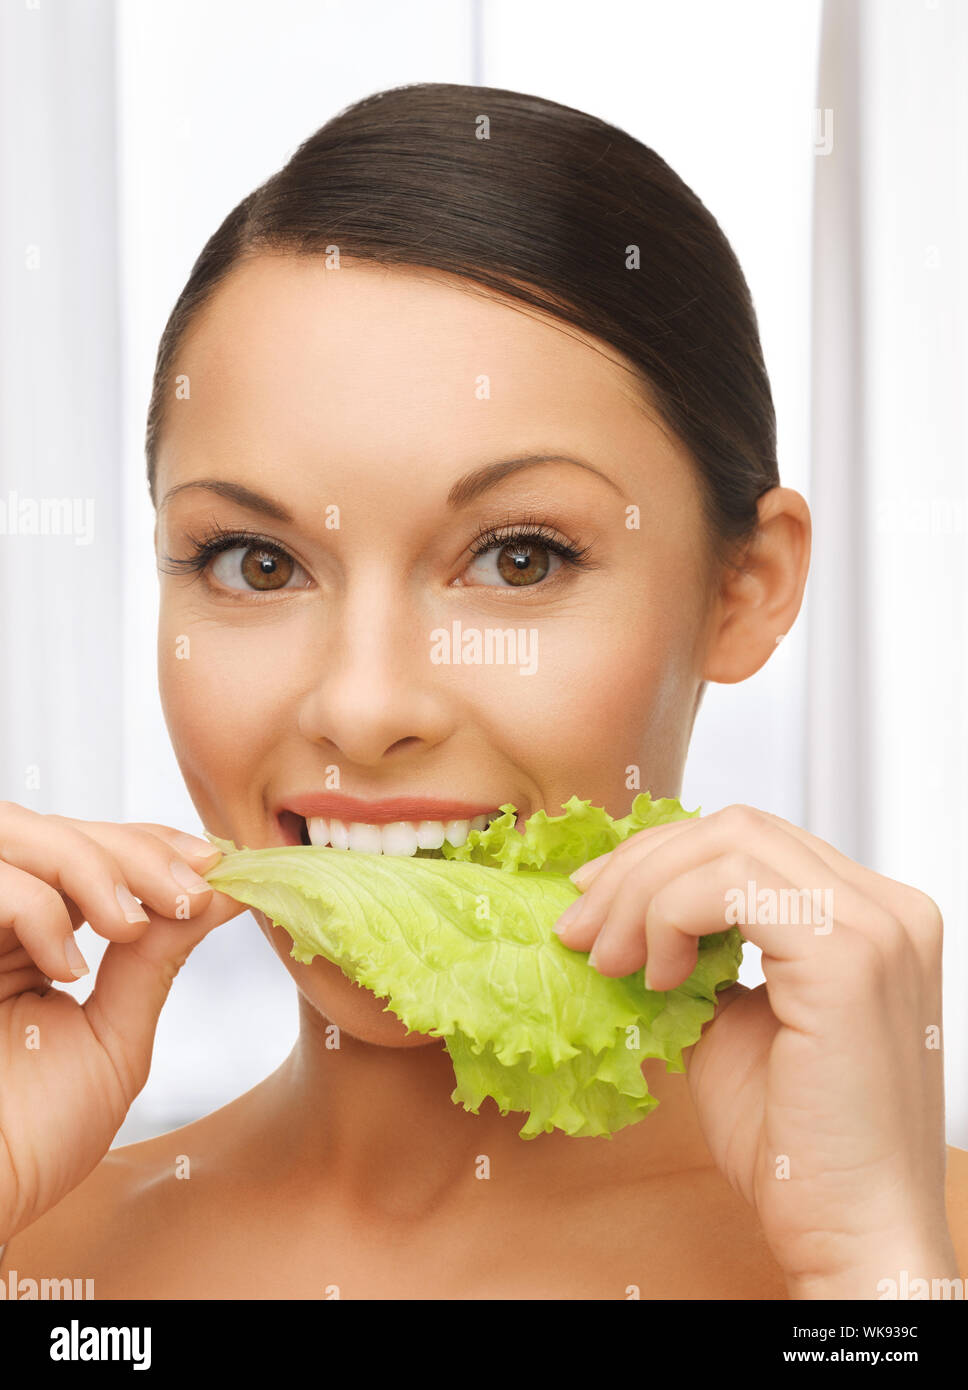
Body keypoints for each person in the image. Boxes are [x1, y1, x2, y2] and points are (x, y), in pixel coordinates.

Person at [1, 83, 965, 1300]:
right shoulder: (40, 1250)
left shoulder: (914, 1254)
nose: (362, 708)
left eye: (517, 558)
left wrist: (875, 1275)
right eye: (255, 562)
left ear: (744, 587)